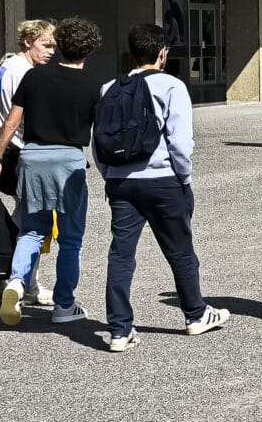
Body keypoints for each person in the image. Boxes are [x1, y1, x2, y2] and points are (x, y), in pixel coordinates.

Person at [96, 22, 226, 349]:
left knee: (121, 255)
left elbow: (98, 142)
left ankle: (119, 329)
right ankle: (195, 314)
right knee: (180, 251)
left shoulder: (109, 87)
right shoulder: (172, 86)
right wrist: (184, 178)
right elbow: (180, 143)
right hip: (163, 181)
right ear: (163, 53)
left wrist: (110, 176)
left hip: (121, 182)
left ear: (132, 53)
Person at [0, 14, 107, 328]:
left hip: (33, 157)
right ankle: (64, 305)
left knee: (32, 231)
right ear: (90, 50)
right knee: (71, 239)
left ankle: (16, 283)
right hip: (69, 162)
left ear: (61, 45)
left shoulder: (34, 77)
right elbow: (101, 133)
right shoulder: (94, 85)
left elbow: (11, 122)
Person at [0, 18, 56, 294]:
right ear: (28, 41)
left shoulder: (5, 66)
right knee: (34, 224)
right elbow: (21, 118)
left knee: (23, 217)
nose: (50, 51)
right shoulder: (27, 73)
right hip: (24, 151)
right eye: (45, 45)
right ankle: (27, 283)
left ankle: (7, 275)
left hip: (10, 150)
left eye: (53, 46)